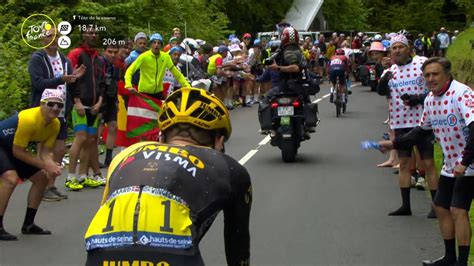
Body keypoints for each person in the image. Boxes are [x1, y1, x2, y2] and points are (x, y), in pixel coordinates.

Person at [84, 87, 251, 265]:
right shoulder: (229, 167)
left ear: (161, 137)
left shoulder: (125, 155)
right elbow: (238, 246)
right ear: (219, 142)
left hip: (102, 255)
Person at [378, 57, 474, 266]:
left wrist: (465, 162)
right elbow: (421, 132)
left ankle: (462, 262)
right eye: (427, 75)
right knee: (440, 206)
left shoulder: (462, 94)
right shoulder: (429, 99)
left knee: (458, 210)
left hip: (469, 162)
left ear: (447, 74)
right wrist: (393, 144)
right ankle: (449, 257)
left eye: (435, 74)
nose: (430, 78)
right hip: (452, 164)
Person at [377, 34, 438, 217]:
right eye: (394, 48)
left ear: (408, 48)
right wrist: (383, 80)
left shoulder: (421, 63)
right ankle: (405, 206)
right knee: (403, 164)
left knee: (428, 163)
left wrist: (417, 99)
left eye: (400, 47)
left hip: (422, 123)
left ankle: (436, 206)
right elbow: (381, 92)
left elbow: (434, 86)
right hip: (400, 122)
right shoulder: (390, 70)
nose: (397, 51)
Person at [28, 27, 86, 200]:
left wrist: (74, 77)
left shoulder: (65, 60)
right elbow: (37, 83)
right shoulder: (37, 58)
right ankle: (41, 186)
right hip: (43, 111)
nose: (54, 39)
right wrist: (61, 79)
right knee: (44, 149)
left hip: (60, 111)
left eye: (57, 36)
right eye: (50, 36)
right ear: (42, 40)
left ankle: (51, 185)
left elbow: (70, 83)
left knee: (60, 150)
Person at [0, 89, 63, 240]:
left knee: (42, 177)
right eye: (51, 104)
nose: (55, 108)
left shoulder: (55, 124)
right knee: (10, 179)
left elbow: (46, 152)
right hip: (6, 146)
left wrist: (51, 165)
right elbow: (18, 152)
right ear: (42, 104)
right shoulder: (29, 118)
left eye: (59, 105)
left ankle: (28, 224)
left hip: (13, 147)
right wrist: (45, 165)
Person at [66, 28, 105, 190]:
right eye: (89, 32)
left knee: (91, 140)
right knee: (80, 138)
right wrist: (76, 101)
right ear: (83, 35)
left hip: (94, 105)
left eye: (95, 33)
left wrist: (100, 102)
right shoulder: (75, 53)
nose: (93, 35)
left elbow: (102, 82)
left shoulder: (99, 58)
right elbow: (71, 78)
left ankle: (83, 176)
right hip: (80, 104)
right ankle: (70, 176)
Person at [124, 33, 190, 100]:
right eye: (154, 42)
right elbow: (129, 71)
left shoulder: (165, 57)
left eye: (158, 43)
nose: (156, 45)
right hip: (144, 93)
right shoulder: (143, 56)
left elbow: (177, 74)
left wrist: (187, 86)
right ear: (150, 45)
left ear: (161, 45)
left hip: (158, 93)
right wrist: (128, 85)